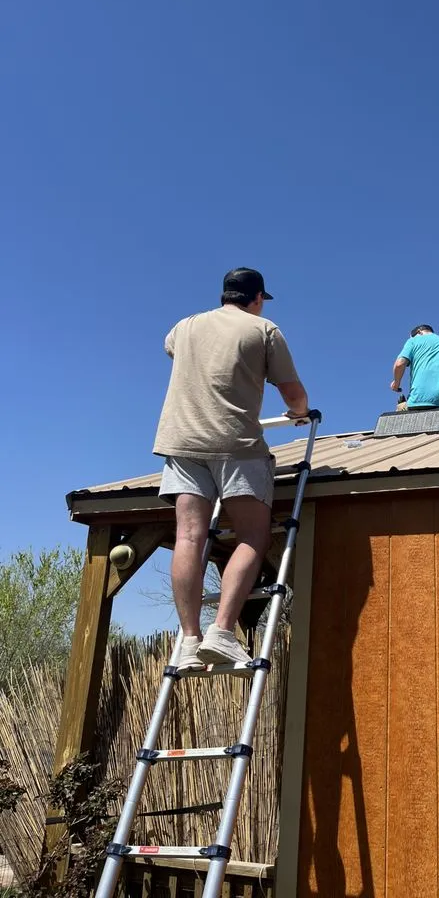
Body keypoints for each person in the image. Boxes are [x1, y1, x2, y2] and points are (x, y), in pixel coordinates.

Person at [153, 267, 310, 671]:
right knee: (253, 537)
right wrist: (299, 414)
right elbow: (293, 393)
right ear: (256, 298)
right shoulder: (263, 330)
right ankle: (222, 633)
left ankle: (189, 639)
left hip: (182, 443)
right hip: (236, 444)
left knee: (189, 538)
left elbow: (171, 346)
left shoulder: (186, 326)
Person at [390, 324, 439, 420]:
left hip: (417, 402)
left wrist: (396, 383)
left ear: (419, 332)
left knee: (399, 410)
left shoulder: (413, 341)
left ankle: (402, 406)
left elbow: (399, 364)